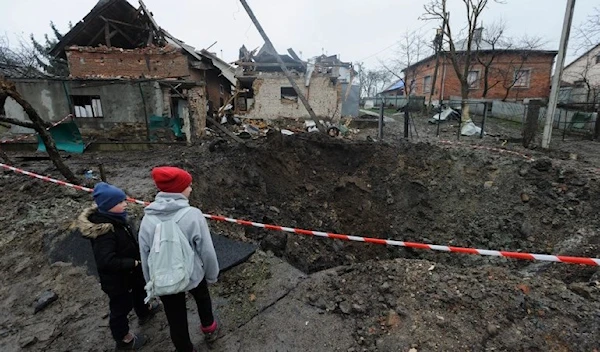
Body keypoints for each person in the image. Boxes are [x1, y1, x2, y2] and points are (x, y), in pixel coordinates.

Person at [138, 166, 220, 352]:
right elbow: (206, 250)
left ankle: (184, 348)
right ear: (178, 189)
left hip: (165, 280)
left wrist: (151, 282)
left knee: (175, 317)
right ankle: (209, 327)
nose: (191, 189)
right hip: (193, 274)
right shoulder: (193, 215)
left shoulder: (148, 219)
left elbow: (145, 254)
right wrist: (212, 275)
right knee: (202, 299)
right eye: (188, 185)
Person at [73, 182, 159, 350]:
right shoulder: (104, 232)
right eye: (120, 202)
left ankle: (144, 310)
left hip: (131, 273)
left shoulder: (117, 219)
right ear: (108, 206)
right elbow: (106, 261)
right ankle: (123, 338)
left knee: (140, 289)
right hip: (118, 281)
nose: (125, 204)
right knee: (121, 308)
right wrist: (131, 262)